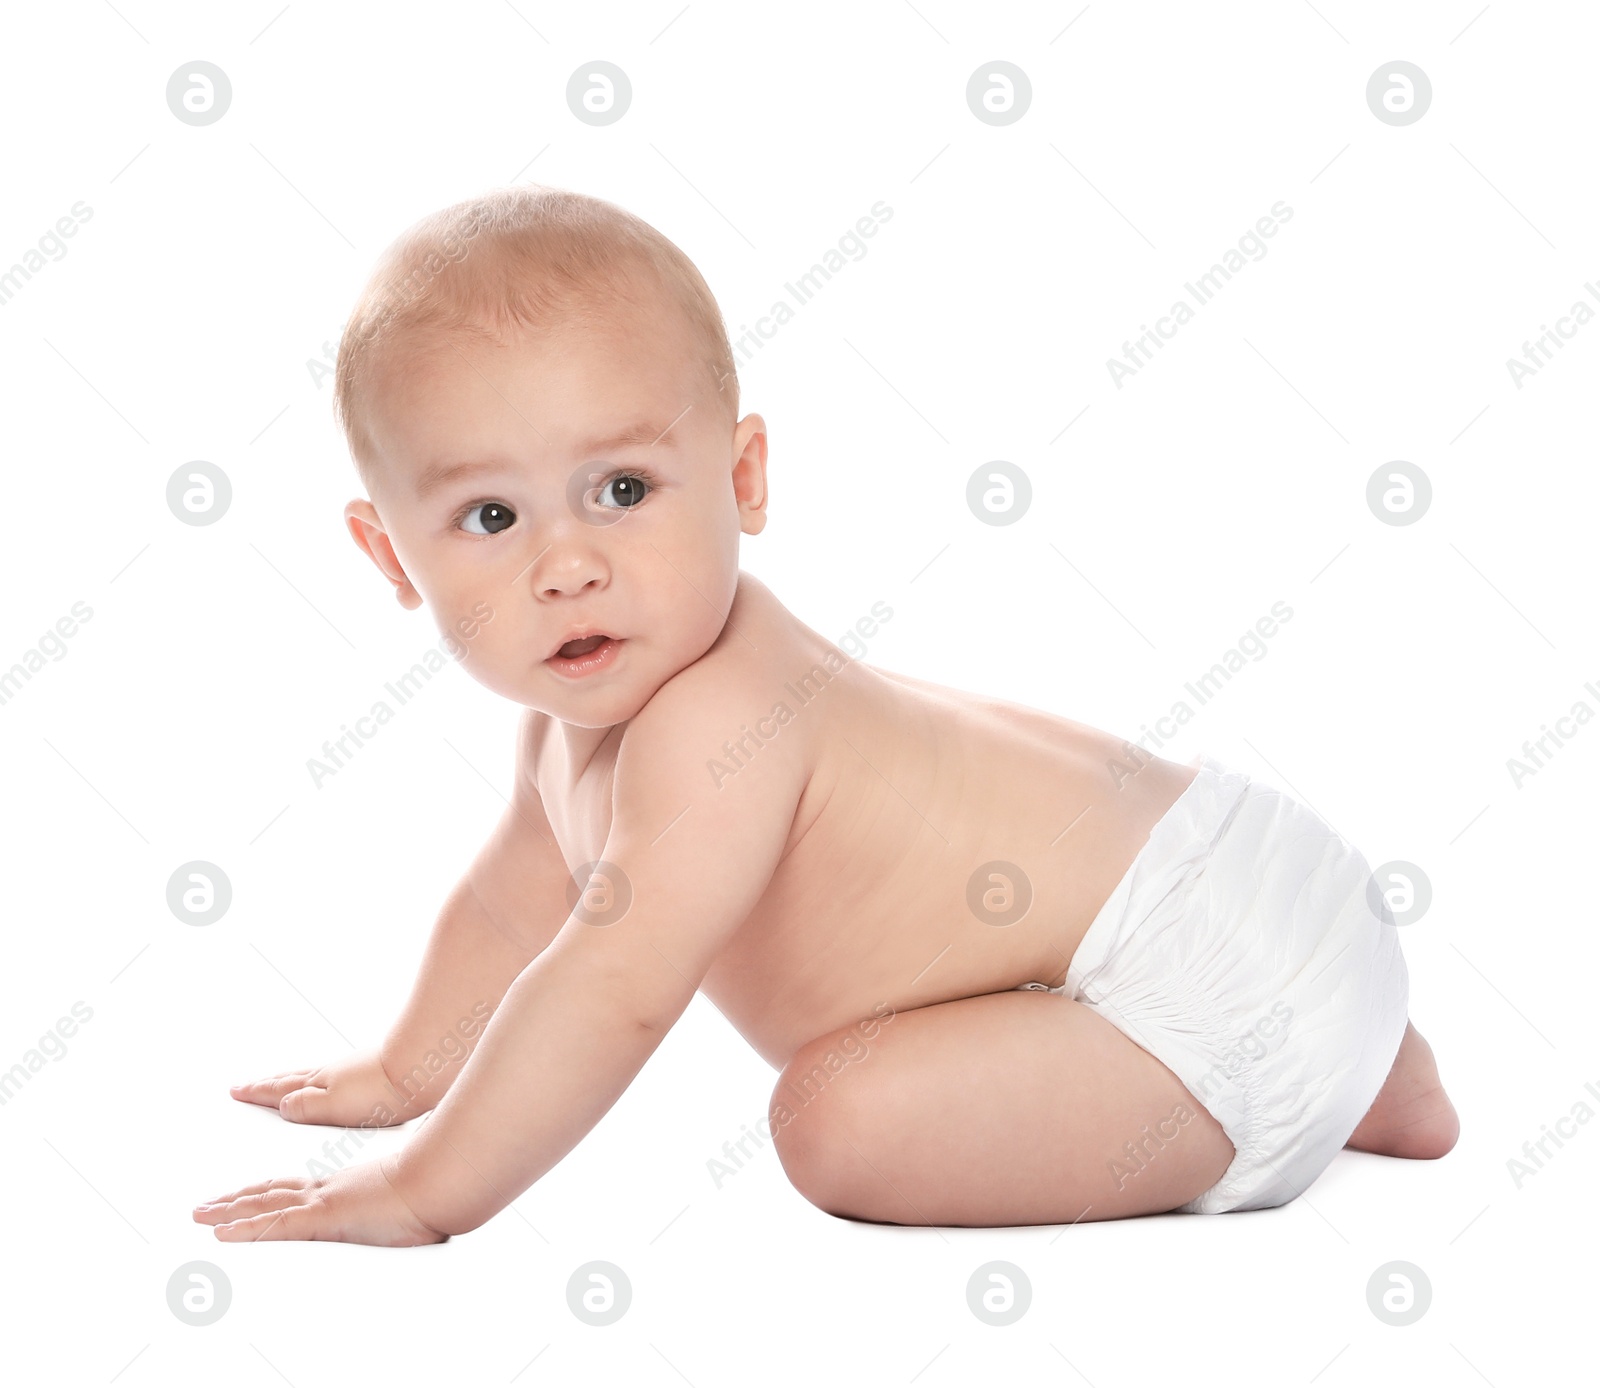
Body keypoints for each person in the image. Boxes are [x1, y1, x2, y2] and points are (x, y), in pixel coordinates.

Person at [194, 185, 1457, 1244]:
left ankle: (1300, 1086)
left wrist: (427, 1188)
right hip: (1261, 860)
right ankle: (1384, 1077)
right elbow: (508, 907)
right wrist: (409, 1069)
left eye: (621, 488)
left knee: (835, 1121)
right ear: (391, 556)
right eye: (490, 518)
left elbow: (611, 984)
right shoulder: (584, 722)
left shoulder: (717, 721)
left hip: (1199, 989)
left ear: (743, 477)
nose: (564, 564)